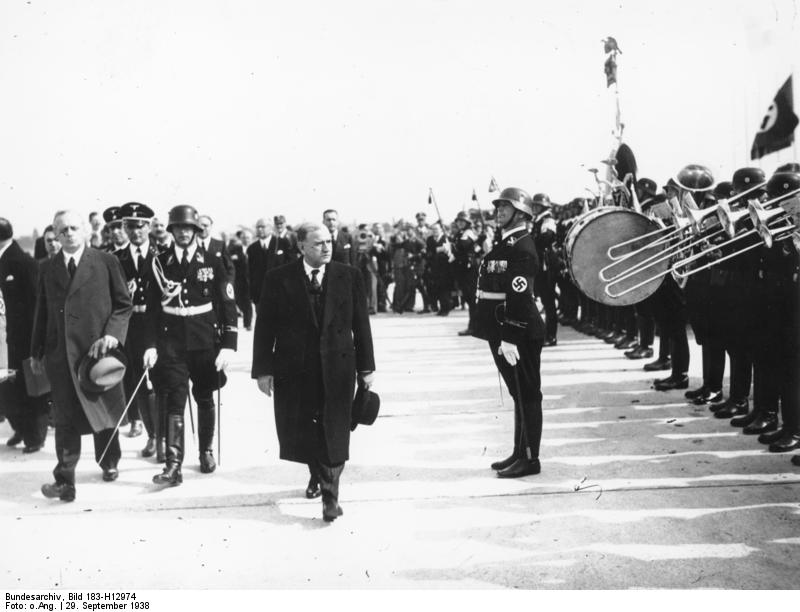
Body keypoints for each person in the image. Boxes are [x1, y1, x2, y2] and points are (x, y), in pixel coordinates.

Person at [252, 222, 375, 522]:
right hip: (296, 368)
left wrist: (367, 368)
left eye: (329, 241)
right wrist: (263, 371)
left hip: (338, 366)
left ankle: (330, 497)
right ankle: (318, 475)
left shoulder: (349, 276)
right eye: (318, 243)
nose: (326, 247)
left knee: (335, 429)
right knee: (305, 429)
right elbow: (265, 327)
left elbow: (362, 325)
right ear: (301, 247)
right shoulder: (278, 278)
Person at [31, 210, 133, 502]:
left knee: (103, 410)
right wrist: (37, 351)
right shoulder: (48, 269)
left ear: (86, 230)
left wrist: (113, 334)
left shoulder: (106, 261)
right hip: (61, 356)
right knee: (64, 418)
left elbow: (123, 305)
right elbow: (43, 313)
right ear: (56, 235)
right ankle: (65, 480)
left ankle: (109, 460)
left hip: (98, 355)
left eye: (74, 228)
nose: (68, 234)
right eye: (62, 230)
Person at [144, 205, 238, 486]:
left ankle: (205, 450)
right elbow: (151, 308)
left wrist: (228, 345)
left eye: (188, 228)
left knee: (205, 396)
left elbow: (227, 304)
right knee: (175, 399)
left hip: (205, 341)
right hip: (171, 342)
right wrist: (150, 345)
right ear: (170, 231)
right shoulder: (160, 262)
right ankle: (173, 465)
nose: (183, 233)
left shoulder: (213, 260)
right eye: (177, 228)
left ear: (196, 231)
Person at [473, 188, 545, 478]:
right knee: (520, 394)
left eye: (506, 206)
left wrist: (511, 337)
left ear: (521, 212)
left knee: (527, 395)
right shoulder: (508, 243)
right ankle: (519, 452)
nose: (499, 210)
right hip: (504, 331)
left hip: (518, 333)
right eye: (499, 205)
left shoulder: (522, 247)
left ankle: (530, 459)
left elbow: (519, 297)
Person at [0, 218, 49, 453]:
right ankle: (20, 427)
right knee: (8, 387)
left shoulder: (23, 263)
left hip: (23, 337)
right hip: (4, 337)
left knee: (30, 386)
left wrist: (36, 342)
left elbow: (35, 304)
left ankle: (35, 436)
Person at [115, 203, 160, 453]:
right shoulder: (117, 259)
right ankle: (152, 435)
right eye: (130, 226)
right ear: (125, 228)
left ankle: (164, 436)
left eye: (141, 225)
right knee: (138, 382)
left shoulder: (161, 254)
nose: (136, 231)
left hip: (157, 325)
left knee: (160, 380)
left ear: (149, 226)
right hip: (131, 327)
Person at [246, 218, 292, 306]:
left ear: (271, 228)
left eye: (262, 227)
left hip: (280, 293)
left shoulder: (283, 243)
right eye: (258, 227)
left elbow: (291, 268)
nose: (259, 229)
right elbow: (250, 273)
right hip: (260, 295)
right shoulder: (252, 248)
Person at [197, 214, 236, 282]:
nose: (202, 228)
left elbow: (230, 268)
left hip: (216, 288)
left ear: (211, 227)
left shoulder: (220, 245)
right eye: (200, 226)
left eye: (205, 225)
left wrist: (228, 285)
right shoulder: (191, 245)